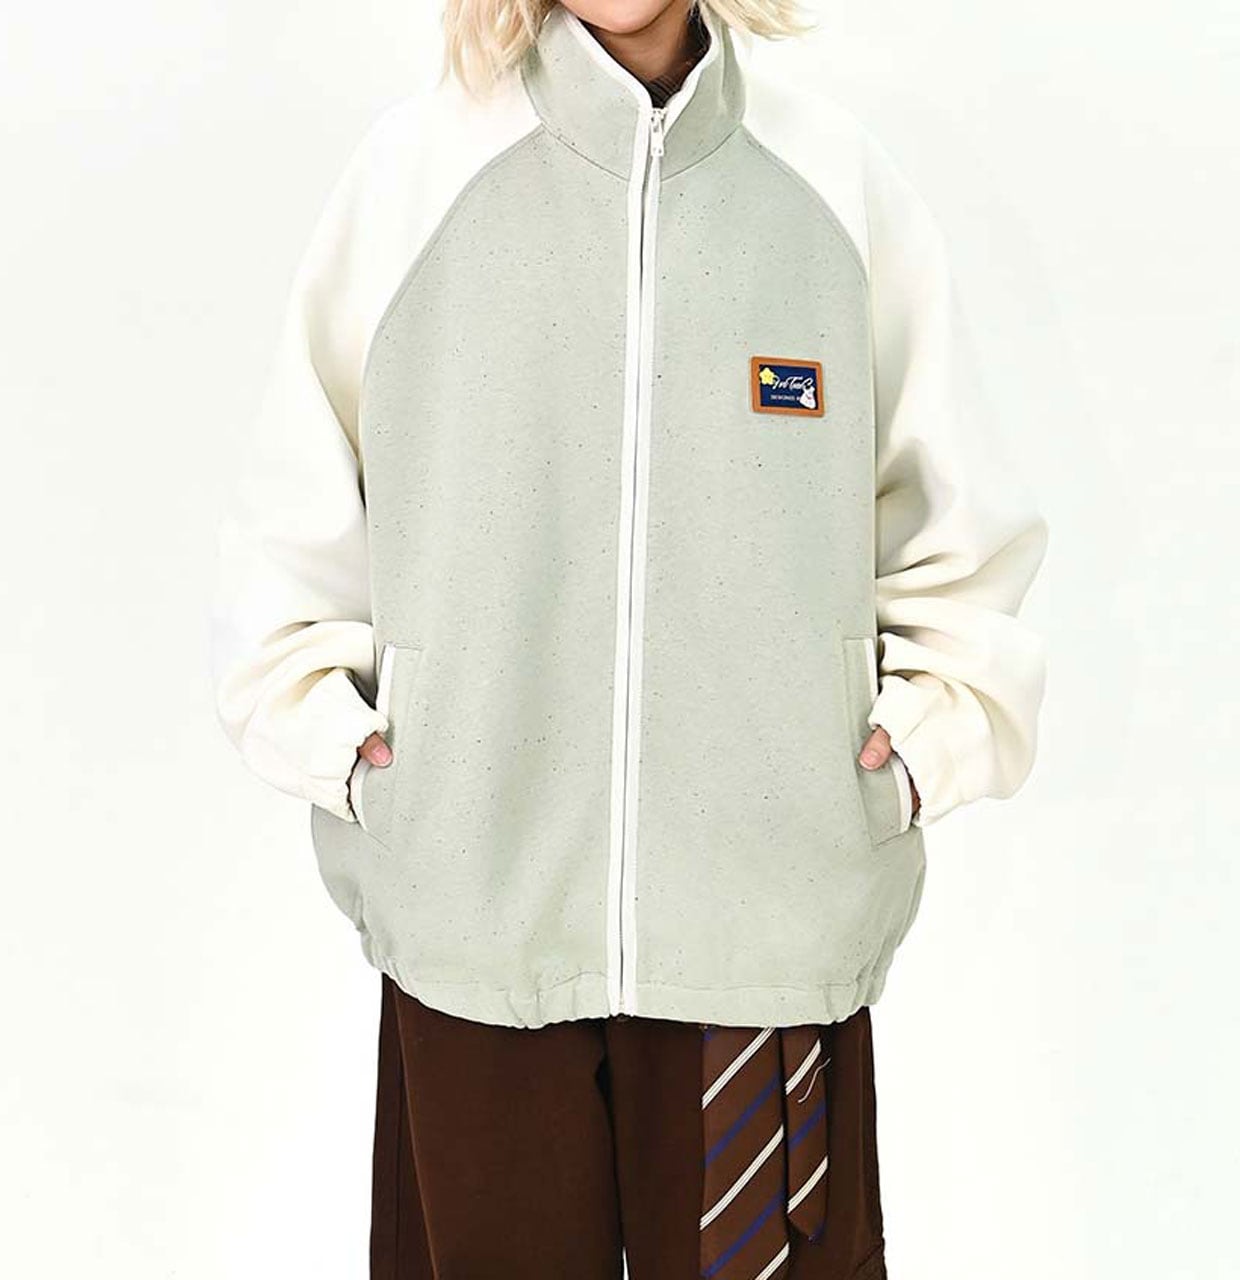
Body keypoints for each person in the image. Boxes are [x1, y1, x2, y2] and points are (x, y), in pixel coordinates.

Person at [209, 1, 1049, 1275]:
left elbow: (956, 530)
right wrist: (347, 747)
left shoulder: (830, 181)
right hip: (478, 920)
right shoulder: (414, 177)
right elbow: (292, 525)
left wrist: (918, 749)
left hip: (764, 930)